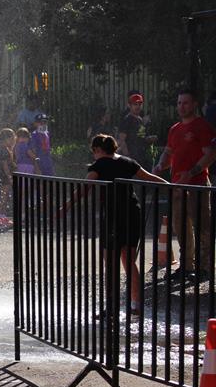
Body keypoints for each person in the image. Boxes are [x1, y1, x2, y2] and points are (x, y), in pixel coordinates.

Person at [75, 134, 168, 312]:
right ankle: (136, 303)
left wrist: (65, 207)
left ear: (97, 150)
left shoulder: (99, 164)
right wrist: (170, 185)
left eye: (93, 152)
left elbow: (84, 188)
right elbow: (148, 177)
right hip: (132, 212)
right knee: (129, 261)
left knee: (110, 262)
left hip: (113, 215)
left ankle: (111, 306)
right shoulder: (127, 161)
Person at [153, 88, 216, 281]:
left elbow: (211, 154)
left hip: (197, 183)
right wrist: (160, 164)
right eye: (179, 103)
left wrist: (192, 172)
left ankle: (205, 267)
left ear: (194, 104)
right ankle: (186, 265)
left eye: (185, 103)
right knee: (180, 225)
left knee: (201, 224)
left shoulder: (202, 126)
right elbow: (169, 151)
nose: (181, 106)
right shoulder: (174, 129)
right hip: (177, 185)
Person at [117, 91, 155, 170]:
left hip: (141, 158)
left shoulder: (140, 120)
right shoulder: (127, 120)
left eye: (140, 104)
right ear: (129, 105)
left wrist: (149, 139)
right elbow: (121, 140)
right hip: (132, 159)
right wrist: (127, 158)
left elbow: (140, 137)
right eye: (135, 104)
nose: (138, 106)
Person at [0, 128, 16, 227]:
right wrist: (9, 176)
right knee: (4, 197)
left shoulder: (1, 148)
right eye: (12, 139)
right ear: (7, 139)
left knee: (3, 197)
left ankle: (2, 217)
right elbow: (5, 164)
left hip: (0, 175)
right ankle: (1, 217)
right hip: (4, 176)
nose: (13, 141)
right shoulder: (3, 149)